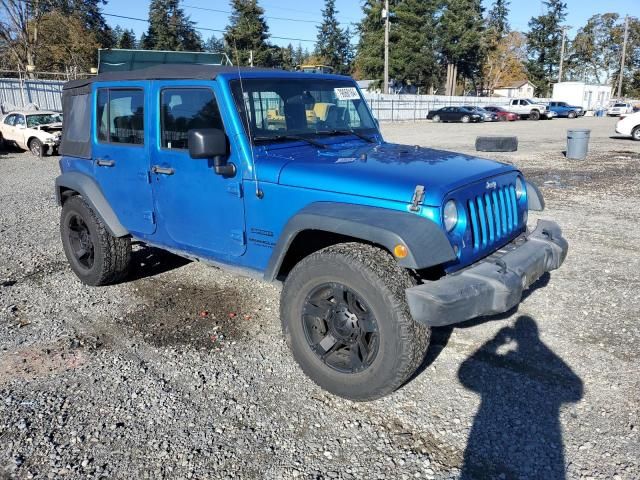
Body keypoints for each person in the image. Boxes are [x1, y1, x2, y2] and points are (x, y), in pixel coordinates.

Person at [458, 316, 583, 479]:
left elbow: (465, 374)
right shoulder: (543, 356)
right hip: (544, 435)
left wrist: (495, 342)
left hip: (491, 423)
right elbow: (576, 390)